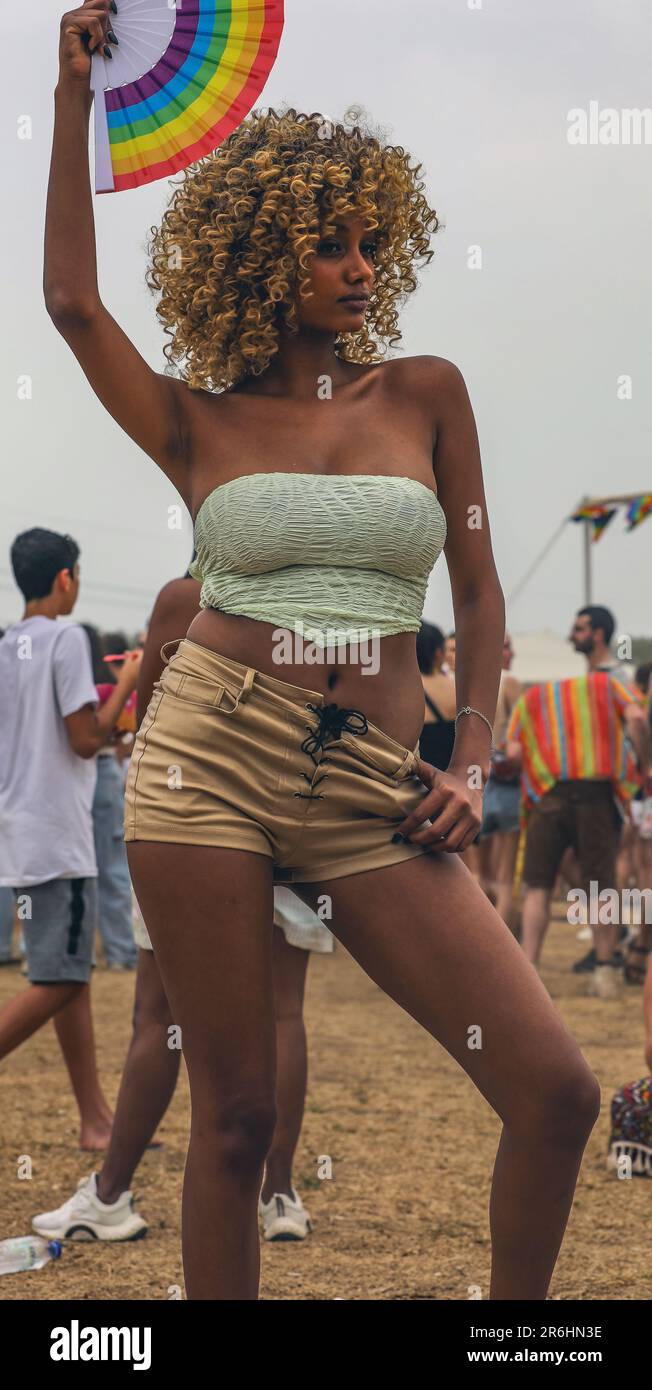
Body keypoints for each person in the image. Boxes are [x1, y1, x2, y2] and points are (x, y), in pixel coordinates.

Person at [45, 7, 602, 1302]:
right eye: (326, 244)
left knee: (557, 1090)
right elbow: (72, 303)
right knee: (236, 1121)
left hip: (373, 780)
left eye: (369, 242)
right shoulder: (198, 422)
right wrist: (69, 101)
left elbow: (473, 592)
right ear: (257, 257)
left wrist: (473, 751)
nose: (359, 267)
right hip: (206, 763)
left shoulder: (424, 393)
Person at [33, 570, 334, 1245]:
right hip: (296, 810)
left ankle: (111, 1193)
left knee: (158, 1014)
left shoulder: (187, 596)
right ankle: (279, 1193)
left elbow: (151, 721)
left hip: (196, 818)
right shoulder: (319, 600)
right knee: (284, 1009)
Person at [0, 527, 140, 1147]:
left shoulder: (10, 644)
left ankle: (96, 1120)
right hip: (59, 830)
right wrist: (129, 684)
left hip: (22, 824)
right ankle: (96, 1120)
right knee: (59, 980)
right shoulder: (65, 639)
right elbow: (85, 740)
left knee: (69, 975)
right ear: (65, 578)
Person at [506, 606, 651, 994]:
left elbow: (514, 750)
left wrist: (644, 765)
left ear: (599, 634)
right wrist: (643, 767)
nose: (573, 633)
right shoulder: (603, 684)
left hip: (549, 795)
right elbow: (636, 718)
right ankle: (605, 970)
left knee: (538, 883)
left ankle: (529, 973)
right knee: (601, 883)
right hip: (597, 795)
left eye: (580, 627)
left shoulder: (587, 684)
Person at [82, 624, 138, 969]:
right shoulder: (109, 688)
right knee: (114, 870)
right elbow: (123, 733)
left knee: (76, 872)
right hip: (103, 772)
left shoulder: (69, 685)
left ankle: (78, 953)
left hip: (70, 776)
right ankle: (120, 952)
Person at [477, 633, 522, 932]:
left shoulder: (460, 683)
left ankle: (476, 939)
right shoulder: (509, 681)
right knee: (504, 878)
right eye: (505, 646)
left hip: (471, 779)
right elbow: (522, 735)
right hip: (504, 782)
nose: (511, 653)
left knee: (478, 874)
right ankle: (503, 947)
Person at [416, 622, 456, 769]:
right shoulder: (454, 687)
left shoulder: (398, 692)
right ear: (439, 653)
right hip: (451, 780)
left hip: (414, 782)